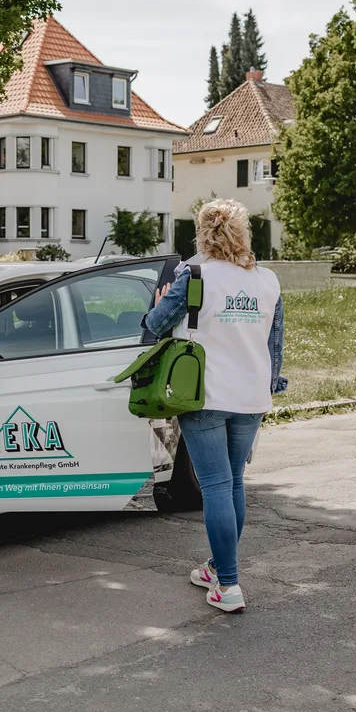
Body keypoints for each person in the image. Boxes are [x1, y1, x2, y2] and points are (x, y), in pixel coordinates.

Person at [144, 199, 286, 612]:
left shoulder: (195, 273)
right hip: (251, 395)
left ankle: (228, 584)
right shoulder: (267, 280)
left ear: (203, 233)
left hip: (204, 394)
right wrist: (270, 385)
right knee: (233, 483)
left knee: (216, 487)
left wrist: (160, 302)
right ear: (244, 233)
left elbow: (155, 326)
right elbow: (274, 344)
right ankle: (215, 569)